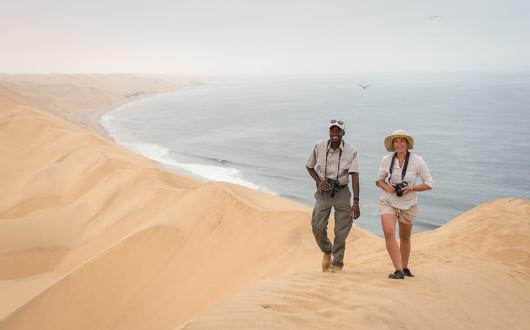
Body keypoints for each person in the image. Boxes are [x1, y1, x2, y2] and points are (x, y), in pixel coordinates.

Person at [375, 129, 433, 279]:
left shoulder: (417, 161)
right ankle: (398, 270)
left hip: (409, 204)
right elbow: (379, 180)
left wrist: (412, 188)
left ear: (407, 144)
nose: (399, 144)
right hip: (388, 200)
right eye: (396, 141)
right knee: (388, 232)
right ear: (392, 144)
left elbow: (429, 183)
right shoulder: (387, 159)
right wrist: (387, 187)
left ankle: (405, 267)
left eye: (402, 141)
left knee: (405, 237)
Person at [306, 119, 360, 273]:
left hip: (342, 192)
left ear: (343, 133)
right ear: (329, 132)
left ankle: (337, 263)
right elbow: (309, 166)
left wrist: (356, 202)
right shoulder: (319, 146)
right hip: (323, 192)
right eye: (332, 130)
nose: (335, 134)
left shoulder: (352, 150)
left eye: (338, 131)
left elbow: (355, 176)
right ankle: (327, 249)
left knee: (341, 230)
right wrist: (319, 181)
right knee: (317, 226)